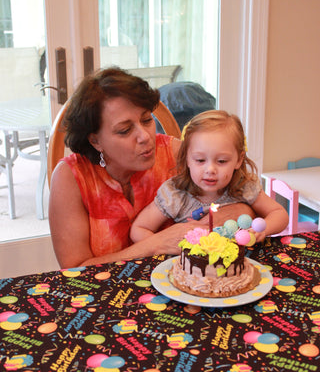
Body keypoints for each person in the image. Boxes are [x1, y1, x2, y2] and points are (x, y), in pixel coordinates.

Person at [49, 69, 255, 268]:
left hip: (181, 286)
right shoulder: (71, 178)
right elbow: (75, 270)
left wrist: (235, 212)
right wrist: (156, 244)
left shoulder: (175, 153)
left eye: (147, 120)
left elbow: (246, 200)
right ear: (95, 141)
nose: (146, 136)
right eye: (125, 130)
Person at [130, 110, 289, 243]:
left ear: (238, 160)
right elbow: (139, 230)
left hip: (240, 269)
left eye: (221, 161)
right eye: (200, 160)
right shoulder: (175, 193)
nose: (210, 169)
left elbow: (279, 214)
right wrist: (165, 245)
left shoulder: (244, 186)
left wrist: (263, 228)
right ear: (186, 158)